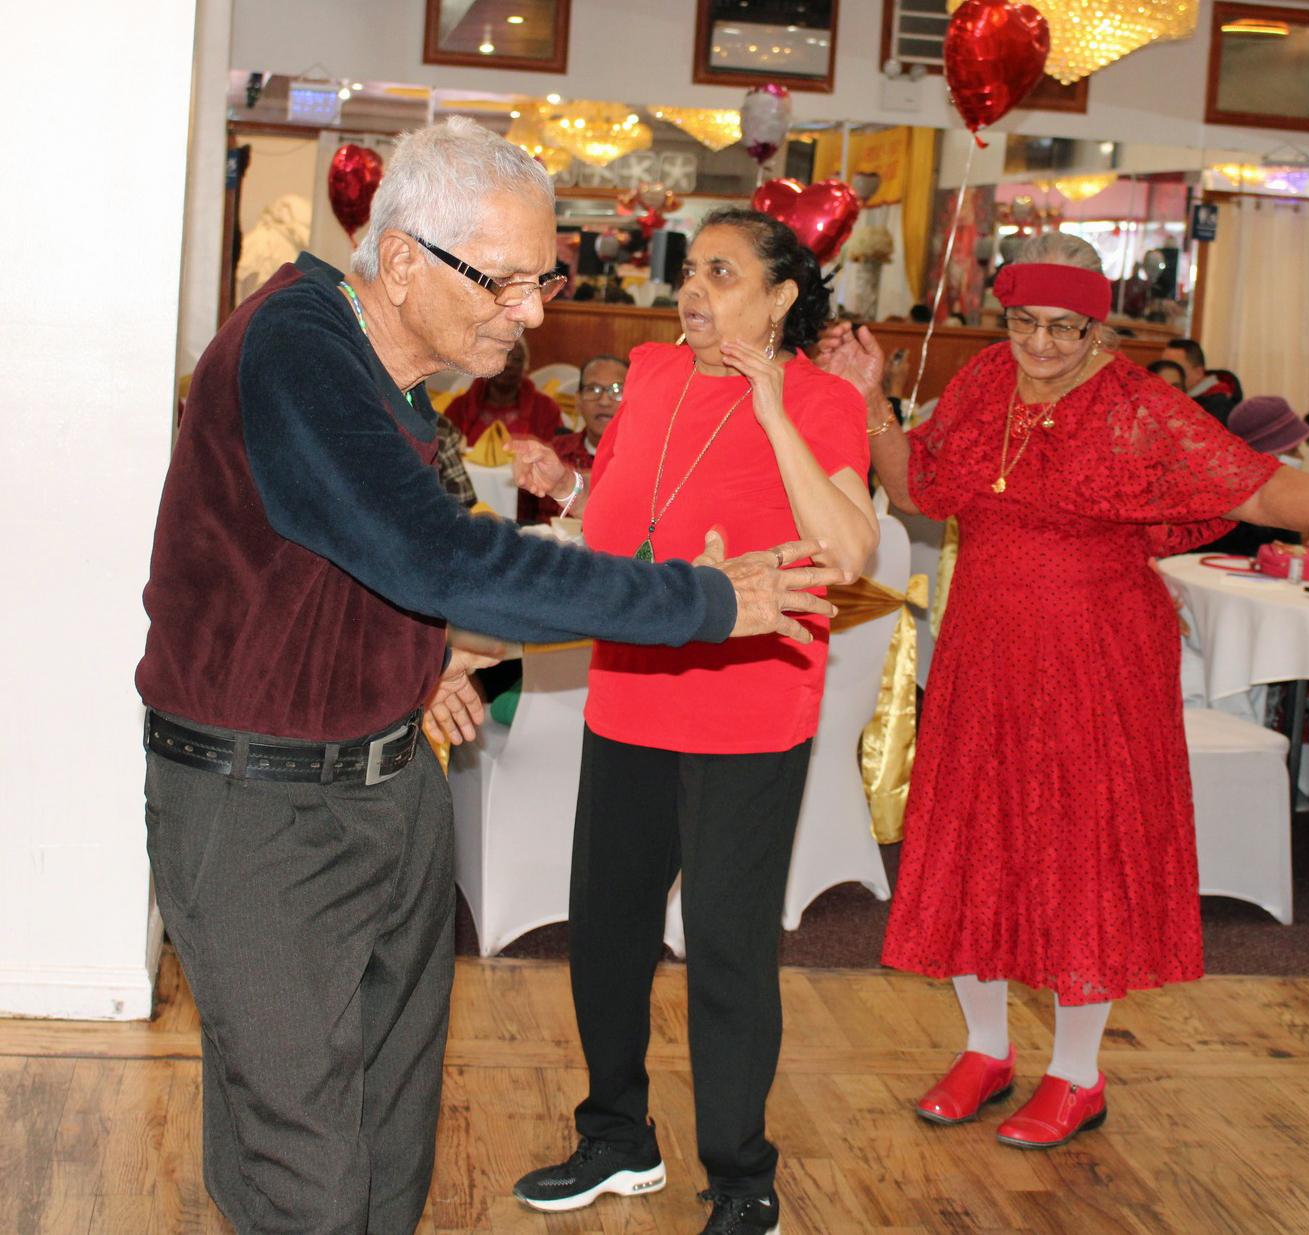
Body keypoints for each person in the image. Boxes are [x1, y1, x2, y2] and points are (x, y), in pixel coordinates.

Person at [136, 119, 844, 1235]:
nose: (531, 312)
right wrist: (707, 600)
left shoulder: (395, 374)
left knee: (386, 1128)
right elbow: (446, 559)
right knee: (305, 1162)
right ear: (405, 259)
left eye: (543, 279)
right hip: (259, 805)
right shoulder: (299, 348)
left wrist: (422, 658)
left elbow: (355, 565)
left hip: (388, 785)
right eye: (507, 283)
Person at [818, 232, 1309, 1150]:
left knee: (1080, 849)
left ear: (1098, 327)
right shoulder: (980, 384)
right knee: (978, 833)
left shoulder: (1137, 409)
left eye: (1064, 329)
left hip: (1097, 652)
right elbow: (918, 486)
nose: (1040, 345)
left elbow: (1257, 488)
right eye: (1023, 323)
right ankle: (984, 1048)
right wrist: (870, 400)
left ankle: (1077, 1074)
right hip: (985, 647)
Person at [508, 208, 877, 1235]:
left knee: (723, 943)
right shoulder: (658, 372)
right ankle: (616, 1135)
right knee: (610, 933)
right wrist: (571, 486)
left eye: (722, 273)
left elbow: (848, 551)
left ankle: (741, 1168)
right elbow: (637, 507)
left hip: (750, 705)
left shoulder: (822, 398)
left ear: (781, 298)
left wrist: (771, 406)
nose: (694, 291)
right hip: (628, 689)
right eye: (689, 270)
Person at [1200, 396, 1309, 560]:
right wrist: (1295, 538)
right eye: (1293, 451)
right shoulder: (1223, 498)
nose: (1301, 457)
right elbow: (1233, 541)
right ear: (1266, 456)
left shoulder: (1302, 489)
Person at [442, 334, 563, 446]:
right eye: (502, 355)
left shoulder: (546, 409)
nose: (508, 364)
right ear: (485, 364)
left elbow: (558, 452)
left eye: (516, 359)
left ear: (525, 367)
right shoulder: (459, 407)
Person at [1162, 337, 1240, 420]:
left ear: (1198, 373)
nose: (1165, 374)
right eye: (1163, 366)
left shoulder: (1218, 406)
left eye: (1175, 368)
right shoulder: (1168, 395)